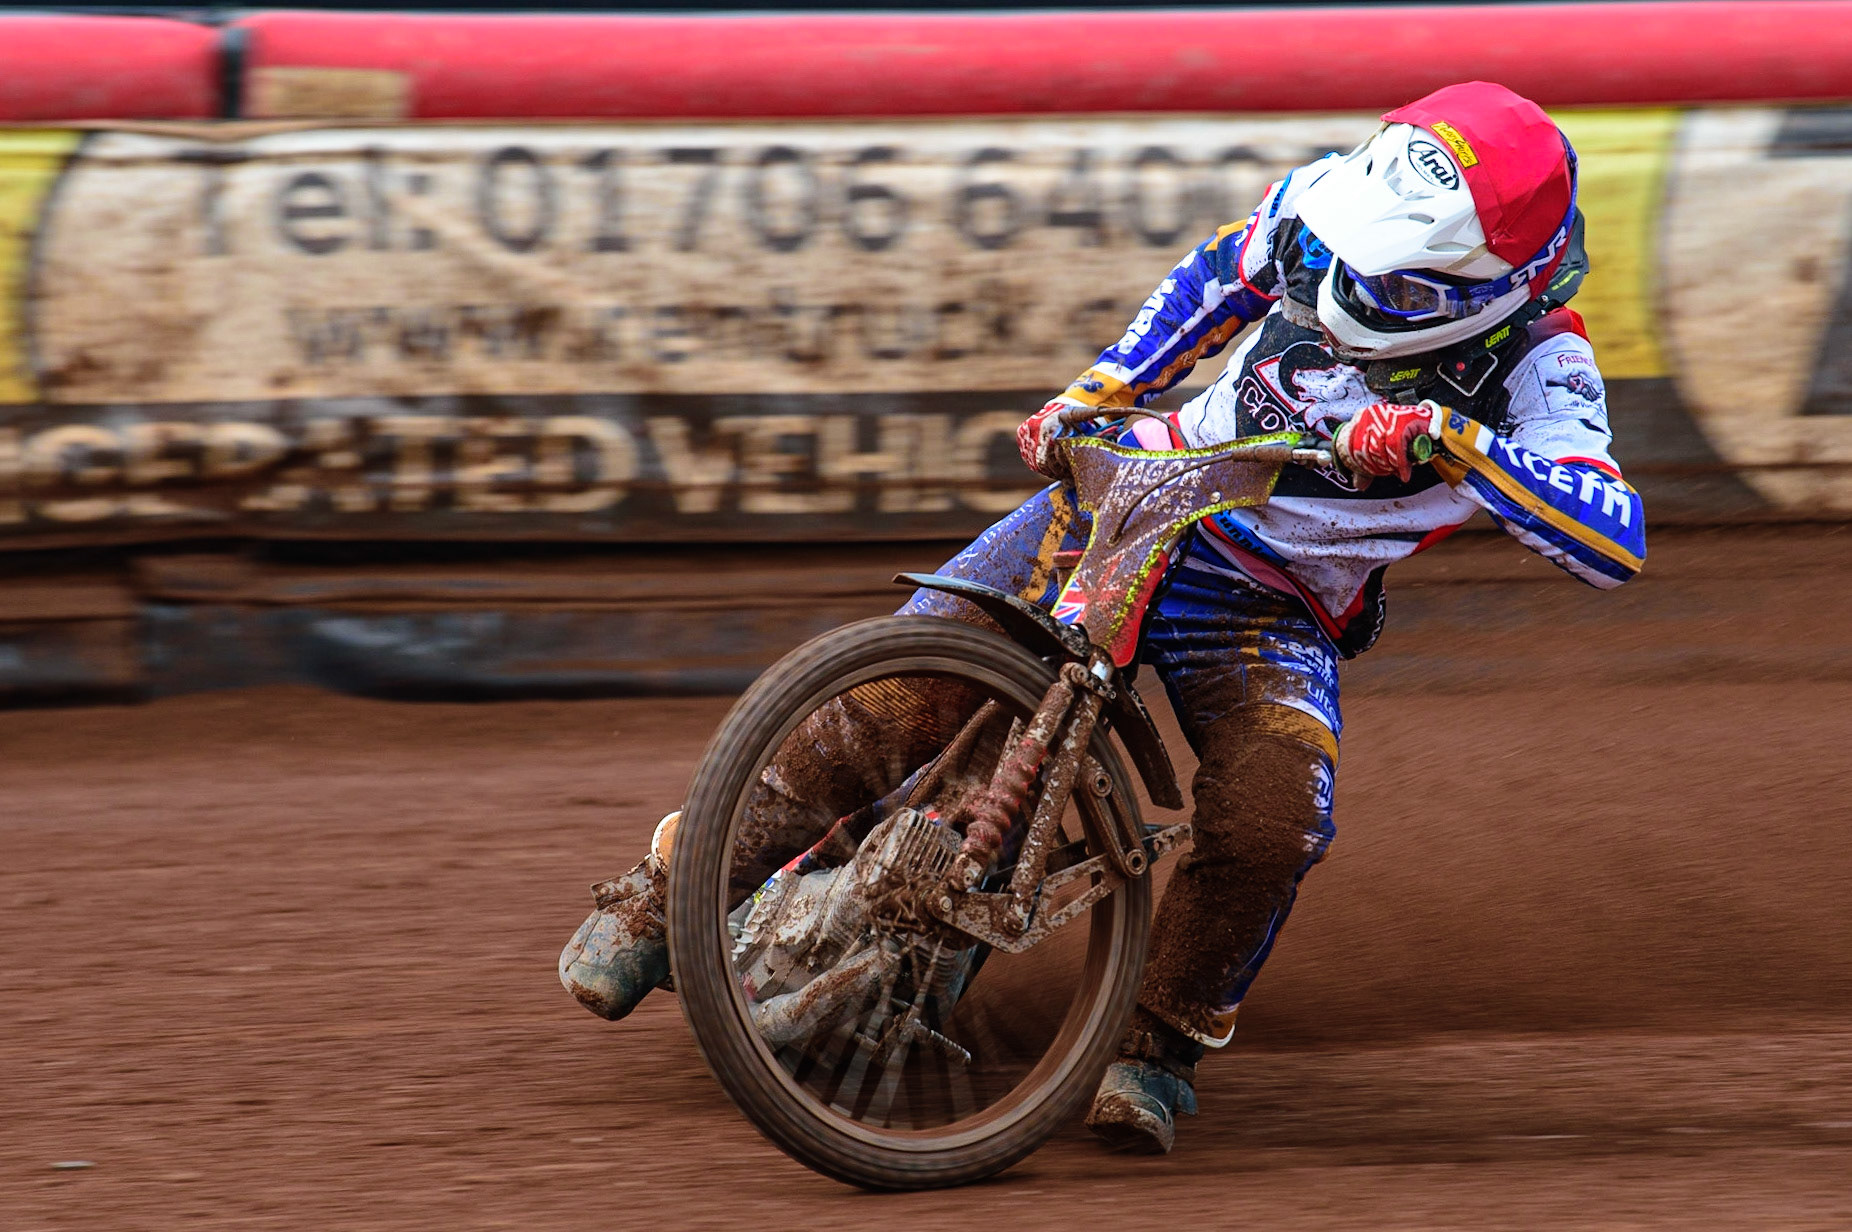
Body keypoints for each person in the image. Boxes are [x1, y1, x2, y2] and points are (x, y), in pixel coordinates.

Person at [559, 81, 1646, 1155]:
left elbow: (1613, 533)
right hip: (1131, 497)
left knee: (1277, 815)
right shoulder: (1325, 207)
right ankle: (659, 898)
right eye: (1357, 250)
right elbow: (1222, 271)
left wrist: (1456, 443)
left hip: (1267, 606)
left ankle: (1155, 1046)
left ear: (1497, 283)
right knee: (904, 687)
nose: (1356, 282)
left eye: (1401, 284)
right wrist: (1104, 385)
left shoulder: (1540, 363)